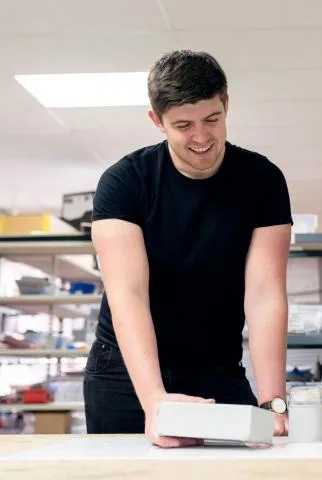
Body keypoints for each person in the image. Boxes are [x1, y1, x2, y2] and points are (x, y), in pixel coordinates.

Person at [85, 50, 292, 447]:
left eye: (212, 119)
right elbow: (127, 295)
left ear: (226, 104)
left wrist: (273, 400)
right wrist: (154, 401)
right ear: (156, 120)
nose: (201, 137)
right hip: (127, 374)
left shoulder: (262, 180)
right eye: (183, 125)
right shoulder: (124, 183)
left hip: (215, 367)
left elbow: (265, 294)